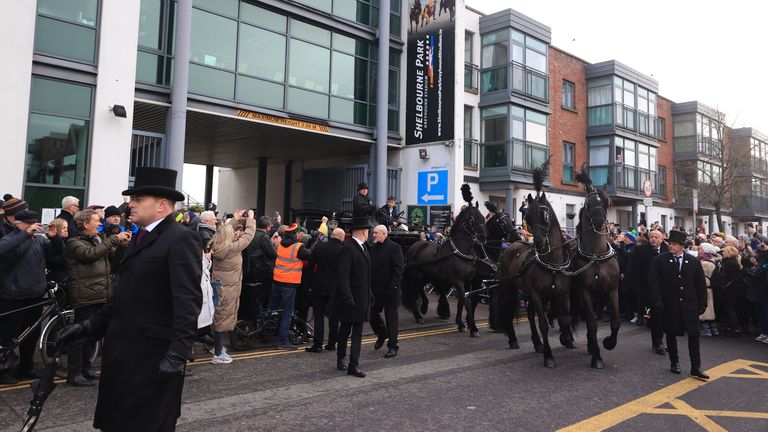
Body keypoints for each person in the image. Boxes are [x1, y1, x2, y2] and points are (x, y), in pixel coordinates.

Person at [57, 167, 202, 431]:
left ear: (161, 205)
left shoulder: (181, 239)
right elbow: (124, 295)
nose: (130, 204)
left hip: (152, 361)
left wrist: (178, 354)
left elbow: (188, 302)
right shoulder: (140, 236)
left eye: (137, 199)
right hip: (123, 358)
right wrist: (89, 327)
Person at [64, 209, 131, 386]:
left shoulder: (97, 240)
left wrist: (121, 247)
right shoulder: (74, 242)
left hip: (101, 293)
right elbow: (90, 255)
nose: (100, 224)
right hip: (85, 294)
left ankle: (86, 369)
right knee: (79, 337)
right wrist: (114, 239)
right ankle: (74, 374)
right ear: (86, 224)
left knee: (92, 336)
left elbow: (112, 261)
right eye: (96, 221)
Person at [0, 209, 61, 384]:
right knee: (8, 336)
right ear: (19, 224)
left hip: (34, 294)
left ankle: (26, 367)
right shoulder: (10, 238)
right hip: (13, 296)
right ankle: (3, 370)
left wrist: (54, 238)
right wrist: (25, 233)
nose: (35, 225)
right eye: (30, 223)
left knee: (31, 335)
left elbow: (56, 256)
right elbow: (3, 248)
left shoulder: (39, 240)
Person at [648, 230, 709, 380]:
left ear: (682, 246)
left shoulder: (693, 261)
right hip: (670, 304)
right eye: (670, 243)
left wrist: (703, 303)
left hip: (690, 304)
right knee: (671, 333)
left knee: (694, 336)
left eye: (674, 244)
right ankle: (674, 362)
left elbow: (700, 284)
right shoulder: (660, 260)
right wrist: (657, 300)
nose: (671, 246)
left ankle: (696, 367)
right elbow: (654, 282)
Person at [209, 210, 256, 363]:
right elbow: (249, 235)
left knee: (219, 315)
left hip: (219, 284)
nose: (235, 234)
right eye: (233, 233)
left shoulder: (218, 244)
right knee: (223, 318)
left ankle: (217, 347)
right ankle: (218, 354)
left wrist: (235, 219)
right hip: (227, 288)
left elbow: (224, 230)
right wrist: (250, 219)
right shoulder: (231, 249)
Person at [332, 217, 373, 378]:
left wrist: (370, 294)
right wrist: (348, 297)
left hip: (362, 298)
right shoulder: (349, 248)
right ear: (364, 231)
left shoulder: (364, 248)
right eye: (369, 231)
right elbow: (343, 275)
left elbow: (365, 276)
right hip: (351, 299)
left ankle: (353, 364)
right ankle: (341, 358)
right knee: (345, 330)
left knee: (356, 331)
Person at [269, 223, 311, 350]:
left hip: (276, 280)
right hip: (289, 284)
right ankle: (282, 342)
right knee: (287, 313)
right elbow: (310, 256)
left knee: (273, 310)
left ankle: (267, 332)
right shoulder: (299, 247)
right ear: (297, 234)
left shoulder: (281, 244)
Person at [625, 229, 668, 353]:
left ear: (662, 238)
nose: (653, 239)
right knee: (655, 317)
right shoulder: (641, 250)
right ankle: (657, 342)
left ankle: (664, 341)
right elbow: (633, 269)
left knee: (665, 317)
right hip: (649, 289)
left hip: (666, 289)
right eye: (651, 237)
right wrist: (634, 286)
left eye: (656, 237)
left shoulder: (667, 249)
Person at [305, 228, 344, 353]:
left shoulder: (319, 247)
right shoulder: (343, 250)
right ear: (341, 238)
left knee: (318, 316)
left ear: (332, 236)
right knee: (334, 316)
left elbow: (310, 266)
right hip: (335, 288)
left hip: (319, 286)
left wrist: (309, 284)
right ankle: (332, 343)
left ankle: (317, 344)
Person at [369, 224, 405, 358]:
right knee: (372, 315)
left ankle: (393, 346)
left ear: (384, 234)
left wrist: (394, 288)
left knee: (391, 320)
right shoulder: (373, 249)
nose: (373, 235)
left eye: (376, 233)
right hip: (376, 290)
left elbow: (399, 270)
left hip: (390, 290)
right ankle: (381, 334)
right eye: (373, 233)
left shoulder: (395, 248)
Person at [242, 215, 276, 321]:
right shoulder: (264, 237)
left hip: (247, 271)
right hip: (261, 273)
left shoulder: (251, 234)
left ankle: (247, 322)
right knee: (261, 300)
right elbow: (272, 254)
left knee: (249, 300)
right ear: (268, 226)